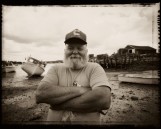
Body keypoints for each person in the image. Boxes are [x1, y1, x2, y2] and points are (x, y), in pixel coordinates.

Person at [35, 29, 111, 124]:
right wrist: (83, 90)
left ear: (86, 51)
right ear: (65, 51)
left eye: (79, 48)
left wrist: (58, 104)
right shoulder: (55, 68)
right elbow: (41, 93)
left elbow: (103, 99)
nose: (75, 52)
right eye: (70, 48)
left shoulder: (95, 68)